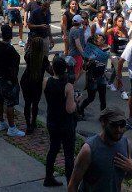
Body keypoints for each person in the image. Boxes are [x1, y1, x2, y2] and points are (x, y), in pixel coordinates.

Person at [69, 106, 132, 192]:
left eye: (122, 125)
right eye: (114, 125)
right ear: (103, 122)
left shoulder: (126, 143)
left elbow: (125, 177)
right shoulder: (88, 149)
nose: (119, 129)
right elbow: (73, 185)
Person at [43, 56, 77, 187]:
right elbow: (70, 109)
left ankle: (48, 176)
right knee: (69, 153)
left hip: (52, 120)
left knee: (53, 148)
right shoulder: (68, 86)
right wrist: (76, 102)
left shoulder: (46, 81)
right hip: (65, 123)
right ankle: (71, 184)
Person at [0, 24, 25, 137]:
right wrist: (14, 82)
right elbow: (14, 67)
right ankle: (12, 128)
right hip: (7, 80)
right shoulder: (11, 50)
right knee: (10, 104)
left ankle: (1, 122)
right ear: (11, 35)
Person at [21, 36, 52, 134]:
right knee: (35, 104)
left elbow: (27, 52)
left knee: (27, 103)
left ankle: (28, 124)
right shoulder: (44, 59)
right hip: (37, 82)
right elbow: (50, 71)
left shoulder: (28, 56)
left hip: (26, 80)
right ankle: (33, 122)